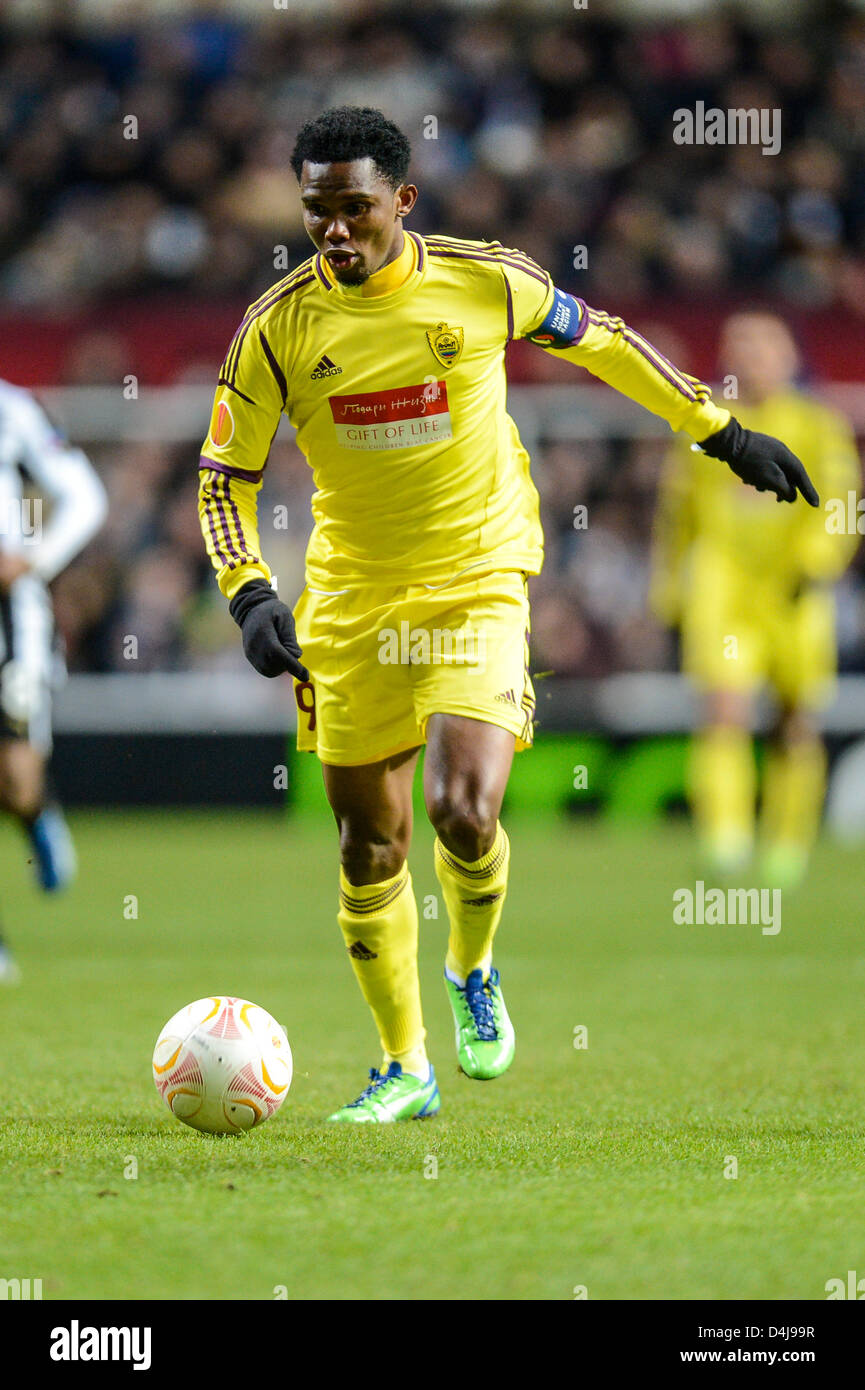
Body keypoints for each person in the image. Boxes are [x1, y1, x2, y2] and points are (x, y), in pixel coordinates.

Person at [198, 106, 817, 1121]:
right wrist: (249, 589)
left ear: (402, 199)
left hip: (478, 571)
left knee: (463, 806)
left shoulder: (486, 278)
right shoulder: (275, 329)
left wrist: (718, 430)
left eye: (356, 209)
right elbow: (223, 477)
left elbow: (607, 345)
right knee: (370, 846)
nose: (336, 232)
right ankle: (405, 1065)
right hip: (351, 595)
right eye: (318, 213)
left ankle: (472, 969)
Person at [651, 311, 859, 886]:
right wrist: (668, 585)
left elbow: (843, 505)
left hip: (794, 590)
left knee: (795, 720)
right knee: (723, 710)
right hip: (725, 589)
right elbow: (678, 513)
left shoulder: (818, 425)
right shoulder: (707, 423)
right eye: (738, 348)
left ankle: (787, 845)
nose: (750, 359)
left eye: (763, 348)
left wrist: (819, 560)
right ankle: (726, 838)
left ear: (790, 358)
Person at [0, 379, 107, 983]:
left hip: (9, 619)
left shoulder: (13, 410)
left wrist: (32, 558)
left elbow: (84, 496)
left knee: (15, 781)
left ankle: (37, 813)